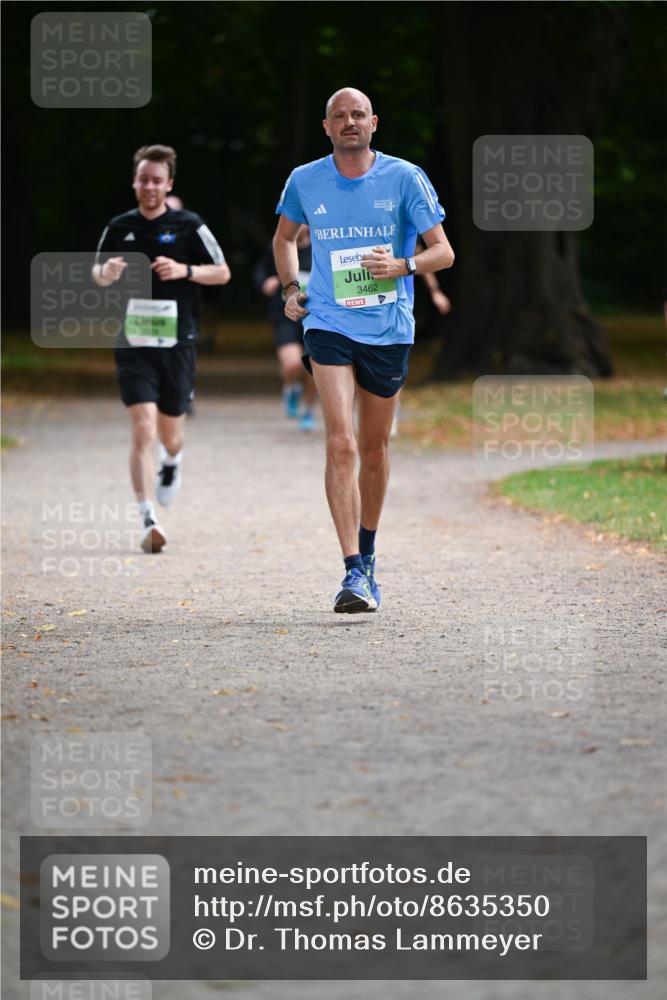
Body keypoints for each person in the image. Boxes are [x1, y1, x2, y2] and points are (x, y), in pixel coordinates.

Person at [273, 87, 454, 612]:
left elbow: (443, 251)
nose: (349, 122)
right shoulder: (305, 180)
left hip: (389, 327)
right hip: (328, 322)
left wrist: (404, 266)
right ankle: (352, 571)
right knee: (342, 443)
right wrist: (291, 290)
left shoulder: (404, 177)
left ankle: (369, 558)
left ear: (373, 123)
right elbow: (284, 239)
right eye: (338, 116)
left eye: (357, 115)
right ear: (326, 127)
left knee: (374, 450)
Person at [93, 144, 230, 552]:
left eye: (157, 180)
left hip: (177, 343)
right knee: (142, 427)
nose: (149, 186)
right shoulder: (119, 226)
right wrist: (108, 271)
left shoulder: (190, 225)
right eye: (143, 179)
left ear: (168, 184)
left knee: (171, 434)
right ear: (134, 182)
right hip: (134, 342)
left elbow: (222, 272)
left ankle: (172, 462)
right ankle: (147, 518)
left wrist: (184, 270)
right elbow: (96, 273)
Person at [253, 227, 318, 430]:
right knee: (292, 364)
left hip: (315, 317)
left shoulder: (320, 246)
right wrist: (267, 281)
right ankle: (291, 387)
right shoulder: (278, 244)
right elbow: (260, 271)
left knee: (314, 369)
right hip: (285, 317)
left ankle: (308, 411)